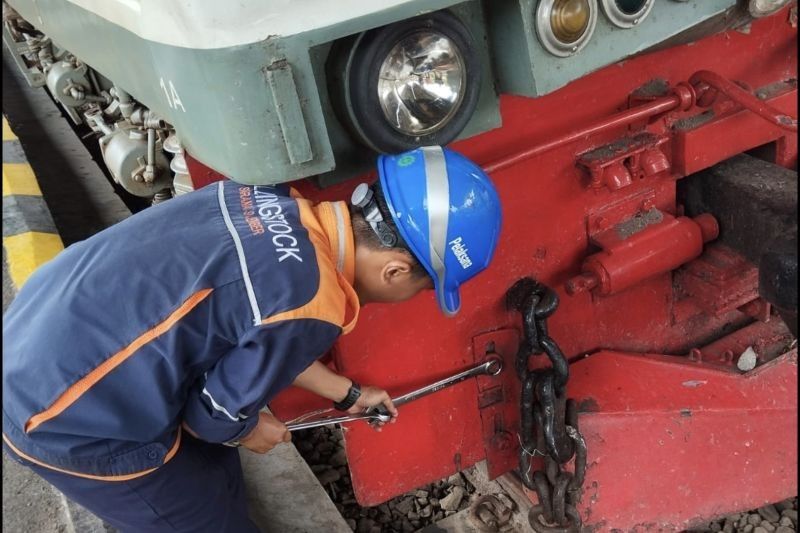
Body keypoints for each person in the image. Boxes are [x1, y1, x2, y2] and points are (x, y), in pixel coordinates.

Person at [2, 145, 502, 532]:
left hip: (36, 337)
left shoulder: (265, 198)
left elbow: (261, 329)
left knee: (217, 470)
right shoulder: (313, 303)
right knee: (200, 517)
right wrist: (247, 429)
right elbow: (209, 419)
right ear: (395, 271)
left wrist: (348, 395)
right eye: (422, 288)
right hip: (63, 417)